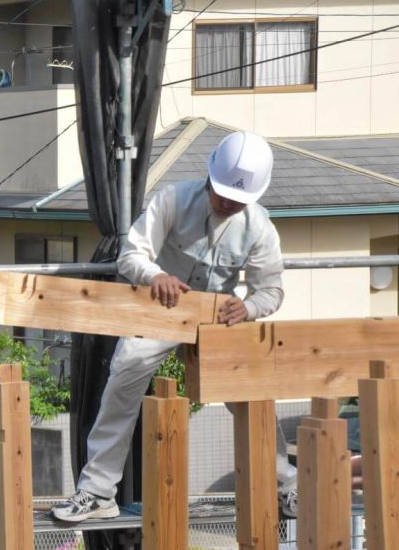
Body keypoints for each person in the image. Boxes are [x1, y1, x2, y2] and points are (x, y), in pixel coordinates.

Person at [54, 130, 298, 523]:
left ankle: (286, 485)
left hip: (219, 318)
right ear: (209, 179)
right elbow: (131, 256)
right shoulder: (172, 199)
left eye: (238, 200)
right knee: (123, 377)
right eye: (223, 195)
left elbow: (270, 290)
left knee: (250, 393)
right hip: (161, 310)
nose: (228, 203)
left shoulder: (260, 228)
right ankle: (97, 491)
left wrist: (248, 308)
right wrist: (155, 276)